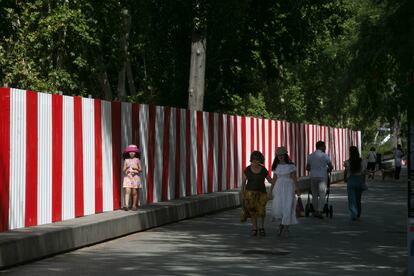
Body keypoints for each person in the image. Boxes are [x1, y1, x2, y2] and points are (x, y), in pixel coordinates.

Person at [240, 151, 273, 236]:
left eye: (257, 160)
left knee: (261, 211)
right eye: (254, 159)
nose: (255, 161)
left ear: (260, 160)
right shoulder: (247, 169)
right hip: (250, 193)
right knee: (253, 212)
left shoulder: (263, 169)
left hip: (261, 193)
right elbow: (243, 182)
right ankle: (254, 228)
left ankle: (261, 227)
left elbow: (270, 180)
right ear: (251, 160)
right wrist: (242, 193)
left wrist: (279, 178)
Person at [269, 146, 300, 237]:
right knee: (279, 207)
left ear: (285, 155)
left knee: (288, 206)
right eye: (279, 155)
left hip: (288, 187)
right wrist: (270, 191)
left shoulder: (291, 166)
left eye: (282, 155)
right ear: (277, 156)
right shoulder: (276, 166)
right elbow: (274, 179)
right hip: (278, 188)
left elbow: (294, 178)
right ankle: (281, 225)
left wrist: (297, 189)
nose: (280, 157)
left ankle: (286, 228)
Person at [306, 141, 333, 219]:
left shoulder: (310, 156)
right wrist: (327, 170)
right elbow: (331, 166)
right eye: (324, 146)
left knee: (314, 194)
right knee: (322, 194)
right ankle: (320, 210)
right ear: (320, 146)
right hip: (322, 177)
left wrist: (313, 169)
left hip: (313, 177)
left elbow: (307, 167)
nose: (325, 148)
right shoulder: (325, 156)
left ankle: (314, 211)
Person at [344, 146, 367, 221]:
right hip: (359, 180)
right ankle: (358, 213)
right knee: (358, 198)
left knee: (351, 199)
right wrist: (363, 181)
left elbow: (346, 171)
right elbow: (363, 173)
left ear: (350, 153)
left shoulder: (347, 162)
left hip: (351, 180)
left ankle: (354, 214)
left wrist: (345, 179)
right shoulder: (362, 161)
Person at [122, 144, 142, 211]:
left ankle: (134, 205)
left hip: (135, 177)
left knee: (134, 192)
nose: (132, 153)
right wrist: (126, 168)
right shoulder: (126, 160)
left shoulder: (137, 160)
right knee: (127, 191)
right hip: (128, 177)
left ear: (135, 152)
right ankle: (126, 205)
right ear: (128, 153)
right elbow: (123, 169)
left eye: (133, 152)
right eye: (130, 152)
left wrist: (136, 168)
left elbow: (141, 170)